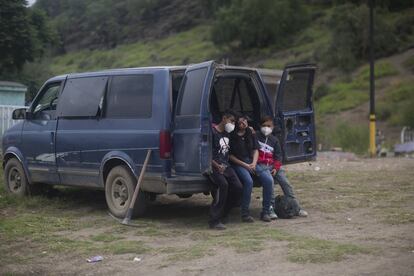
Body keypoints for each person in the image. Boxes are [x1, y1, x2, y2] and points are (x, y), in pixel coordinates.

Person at [256, 116, 308, 221]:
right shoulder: (255, 137)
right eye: (264, 126)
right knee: (269, 182)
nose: (266, 128)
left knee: (285, 182)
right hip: (260, 165)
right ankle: (270, 208)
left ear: (273, 127)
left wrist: (275, 167)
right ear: (259, 126)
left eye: (269, 126)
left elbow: (278, 157)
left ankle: (295, 206)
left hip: (272, 165)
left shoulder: (274, 140)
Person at [209, 110, 243, 230]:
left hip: (226, 166)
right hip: (214, 166)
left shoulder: (227, 134)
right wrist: (216, 165)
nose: (233, 124)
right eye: (231, 121)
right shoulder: (213, 133)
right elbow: (207, 154)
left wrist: (251, 132)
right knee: (223, 185)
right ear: (224, 118)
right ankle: (214, 220)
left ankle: (224, 213)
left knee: (238, 188)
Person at [229, 114, 262, 223]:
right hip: (239, 163)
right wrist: (246, 165)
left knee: (268, 179)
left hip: (252, 162)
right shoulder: (232, 136)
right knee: (248, 181)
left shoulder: (251, 133)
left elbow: (256, 149)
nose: (243, 124)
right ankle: (245, 213)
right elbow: (230, 156)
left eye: (245, 122)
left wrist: (253, 163)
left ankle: (268, 210)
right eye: (240, 122)